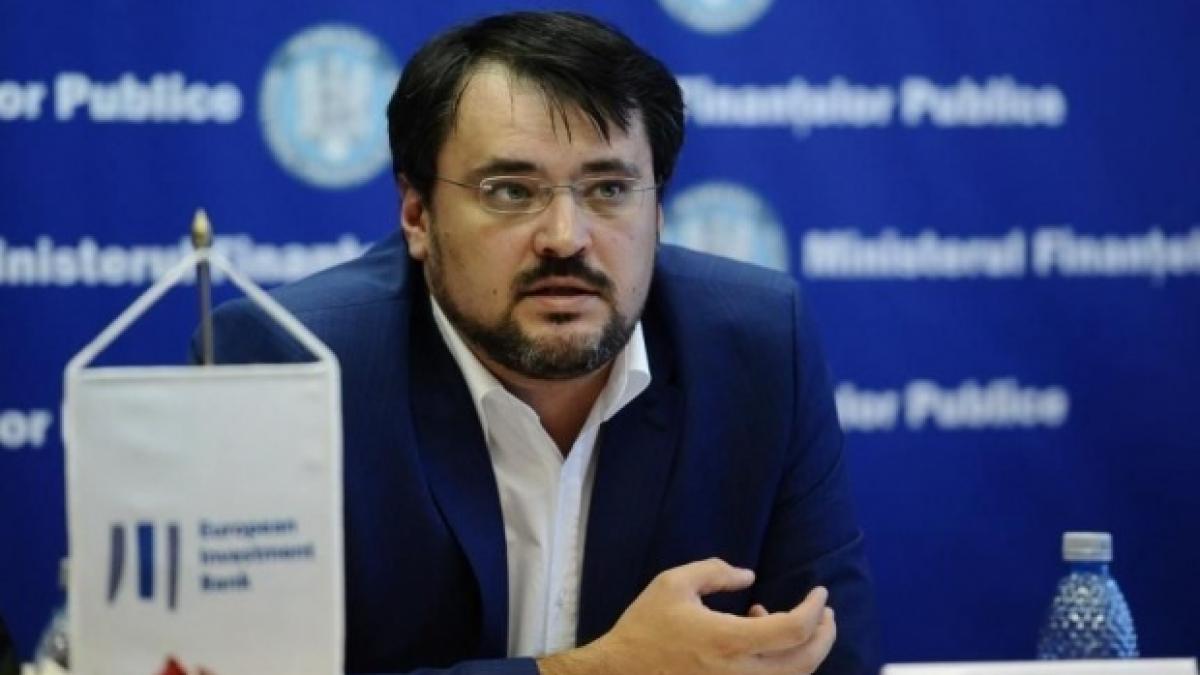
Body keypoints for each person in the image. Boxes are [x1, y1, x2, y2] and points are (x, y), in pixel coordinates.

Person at [206, 11, 876, 674]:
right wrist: (605, 669)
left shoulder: (756, 345)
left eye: (609, 189)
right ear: (417, 215)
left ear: (658, 211)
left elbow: (829, 658)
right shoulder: (292, 361)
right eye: (510, 191)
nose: (565, 237)